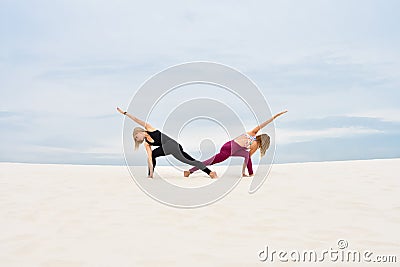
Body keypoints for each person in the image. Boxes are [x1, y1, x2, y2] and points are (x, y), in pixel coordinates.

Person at [117, 107, 217, 178]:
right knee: (152, 156)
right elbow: (150, 159)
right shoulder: (146, 143)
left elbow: (136, 120)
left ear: (139, 132)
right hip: (170, 149)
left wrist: (125, 113)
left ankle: (210, 173)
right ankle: (150, 175)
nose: (137, 139)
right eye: (135, 139)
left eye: (136, 137)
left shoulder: (149, 128)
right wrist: (150, 172)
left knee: (190, 160)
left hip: (174, 145)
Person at [184, 110, 287, 177]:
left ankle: (248, 173)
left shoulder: (252, 133)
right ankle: (189, 171)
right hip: (229, 150)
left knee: (246, 154)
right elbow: (248, 160)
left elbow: (247, 158)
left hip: (229, 145)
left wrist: (275, 117)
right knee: (209, 161)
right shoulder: (255, 145)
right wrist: (276, 116)